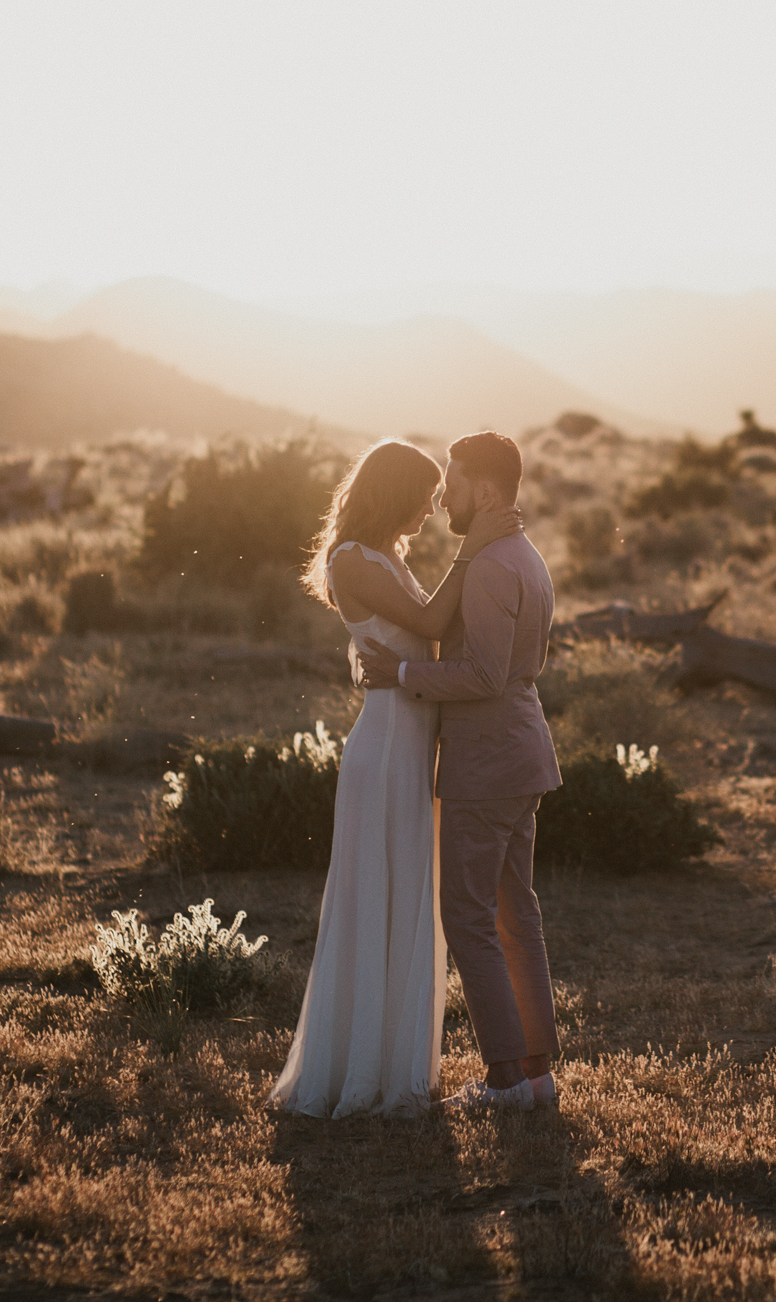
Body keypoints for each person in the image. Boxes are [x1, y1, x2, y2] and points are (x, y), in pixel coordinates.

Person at [269, 439, 520, 1119]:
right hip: (384, 751)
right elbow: (436, 622)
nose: (433, 505)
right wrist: (474, 550)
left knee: (407, 896)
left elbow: (430, 635)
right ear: (393, 491)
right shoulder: (352, 560)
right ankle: (360, 1073)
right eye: (424, 491)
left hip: (412, 749)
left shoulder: (388, 558)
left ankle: (395, 1064)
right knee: (376, 897)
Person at [355, 431, 563, 1114]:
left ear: (488, 491)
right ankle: (536, 1072)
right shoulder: (524, 556)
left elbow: (484, 673)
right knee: (515, 912)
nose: (442, 495)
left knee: (470, 916)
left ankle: (505, 1078)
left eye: (452, 482)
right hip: (521, 753)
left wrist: (404, 672)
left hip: (488, 761)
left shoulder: (493, 565)